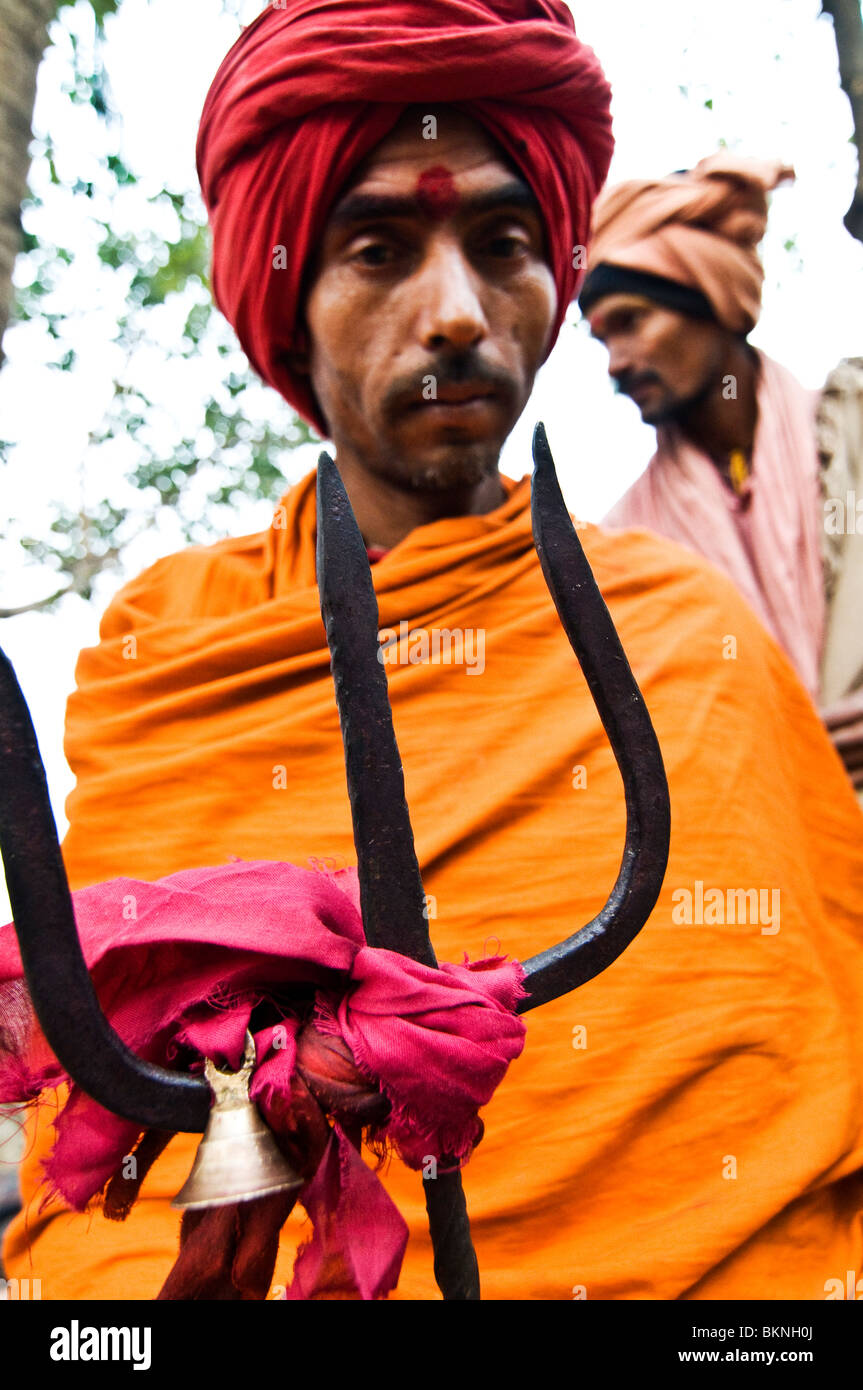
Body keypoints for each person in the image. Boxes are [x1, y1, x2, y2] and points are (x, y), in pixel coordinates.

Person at [4, 0, 863, 1301]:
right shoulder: (170, 640)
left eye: (505, 242)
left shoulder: (682, 631)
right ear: (285, 306)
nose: (456, 309)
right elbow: (120, 1164)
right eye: (378, 248)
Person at [579, 155, 863, 791]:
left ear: (713, 300)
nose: (615, 364)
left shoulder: (854, 429)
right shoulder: (625, 545)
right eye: (600, 340)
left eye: (631, 322)